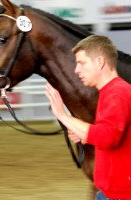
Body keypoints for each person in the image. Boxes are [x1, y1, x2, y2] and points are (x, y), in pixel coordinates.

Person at [45, 35, 131, 199]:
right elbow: (112, 134)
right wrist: (85, 136)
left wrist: (62, 115)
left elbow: (108, 136)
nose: (76, 70)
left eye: (82, 63)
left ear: (100, 62)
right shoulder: (111, 92)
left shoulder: (117, 94)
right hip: (109, 193)